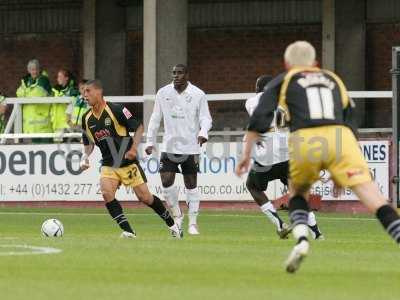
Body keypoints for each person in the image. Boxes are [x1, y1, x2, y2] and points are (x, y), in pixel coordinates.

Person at [236, 41, 400, 273]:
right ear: (315, 63)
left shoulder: (283, 80)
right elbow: (350, 120)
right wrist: (340, 165)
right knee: (374, 198)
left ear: (287, 64)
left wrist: (246, 154)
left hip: (305, 139)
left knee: (298, 194)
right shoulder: (333, 79)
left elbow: (260, 118)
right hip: (340, 138)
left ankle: (302, 241)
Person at [80, 79, 182, 238]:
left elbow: (139, 126)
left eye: (88, 91)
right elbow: (88, 142)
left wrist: (134, 148)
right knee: (107, 193)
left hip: (127, 162)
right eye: (83, 92)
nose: (84, 95)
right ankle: (128, 231)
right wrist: (85, 156)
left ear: (98, 92)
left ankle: (173, 225)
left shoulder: (116, 109)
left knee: (144, 197)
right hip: (108, 164)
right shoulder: (86, 118)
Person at [245, 75, 323, 240]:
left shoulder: (251, 101)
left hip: (266, 156)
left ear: (259, 88)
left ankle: (280, 224)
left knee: (252, 185)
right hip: (288, 154)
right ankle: (316, 232)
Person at [145, 64, 212, 235]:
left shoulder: (198, 94)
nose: (176, 76)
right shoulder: (163, 93)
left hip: (191, 147)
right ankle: (177, 215)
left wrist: (203, 132)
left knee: (191, 184)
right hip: (169, 146)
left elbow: (206, 118)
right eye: (174, 73)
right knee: (166, 181)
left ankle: (193, 223)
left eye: (180, 73)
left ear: (187, 75)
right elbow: (155, 118)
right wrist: (149, 141)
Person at [16, 59, 52, 143]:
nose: (34, 71)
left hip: (43, 120)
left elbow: (37, 94)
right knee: (36, 146)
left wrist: (26, 92)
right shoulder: (26, 81)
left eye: (36, 69)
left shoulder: (43, 79)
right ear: (28, 70)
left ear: (39, 69)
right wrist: (26, 92)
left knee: (47, 146)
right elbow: (18, 93)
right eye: (32, 69)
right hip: (32, 122)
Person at [51, 69, 79, 135]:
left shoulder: (73, 90)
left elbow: (74, 105)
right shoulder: (55, 90)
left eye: (60, 77)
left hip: (67, 123)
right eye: (58, 77)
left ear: (66, 78)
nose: (58, 79)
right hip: (56, 123)